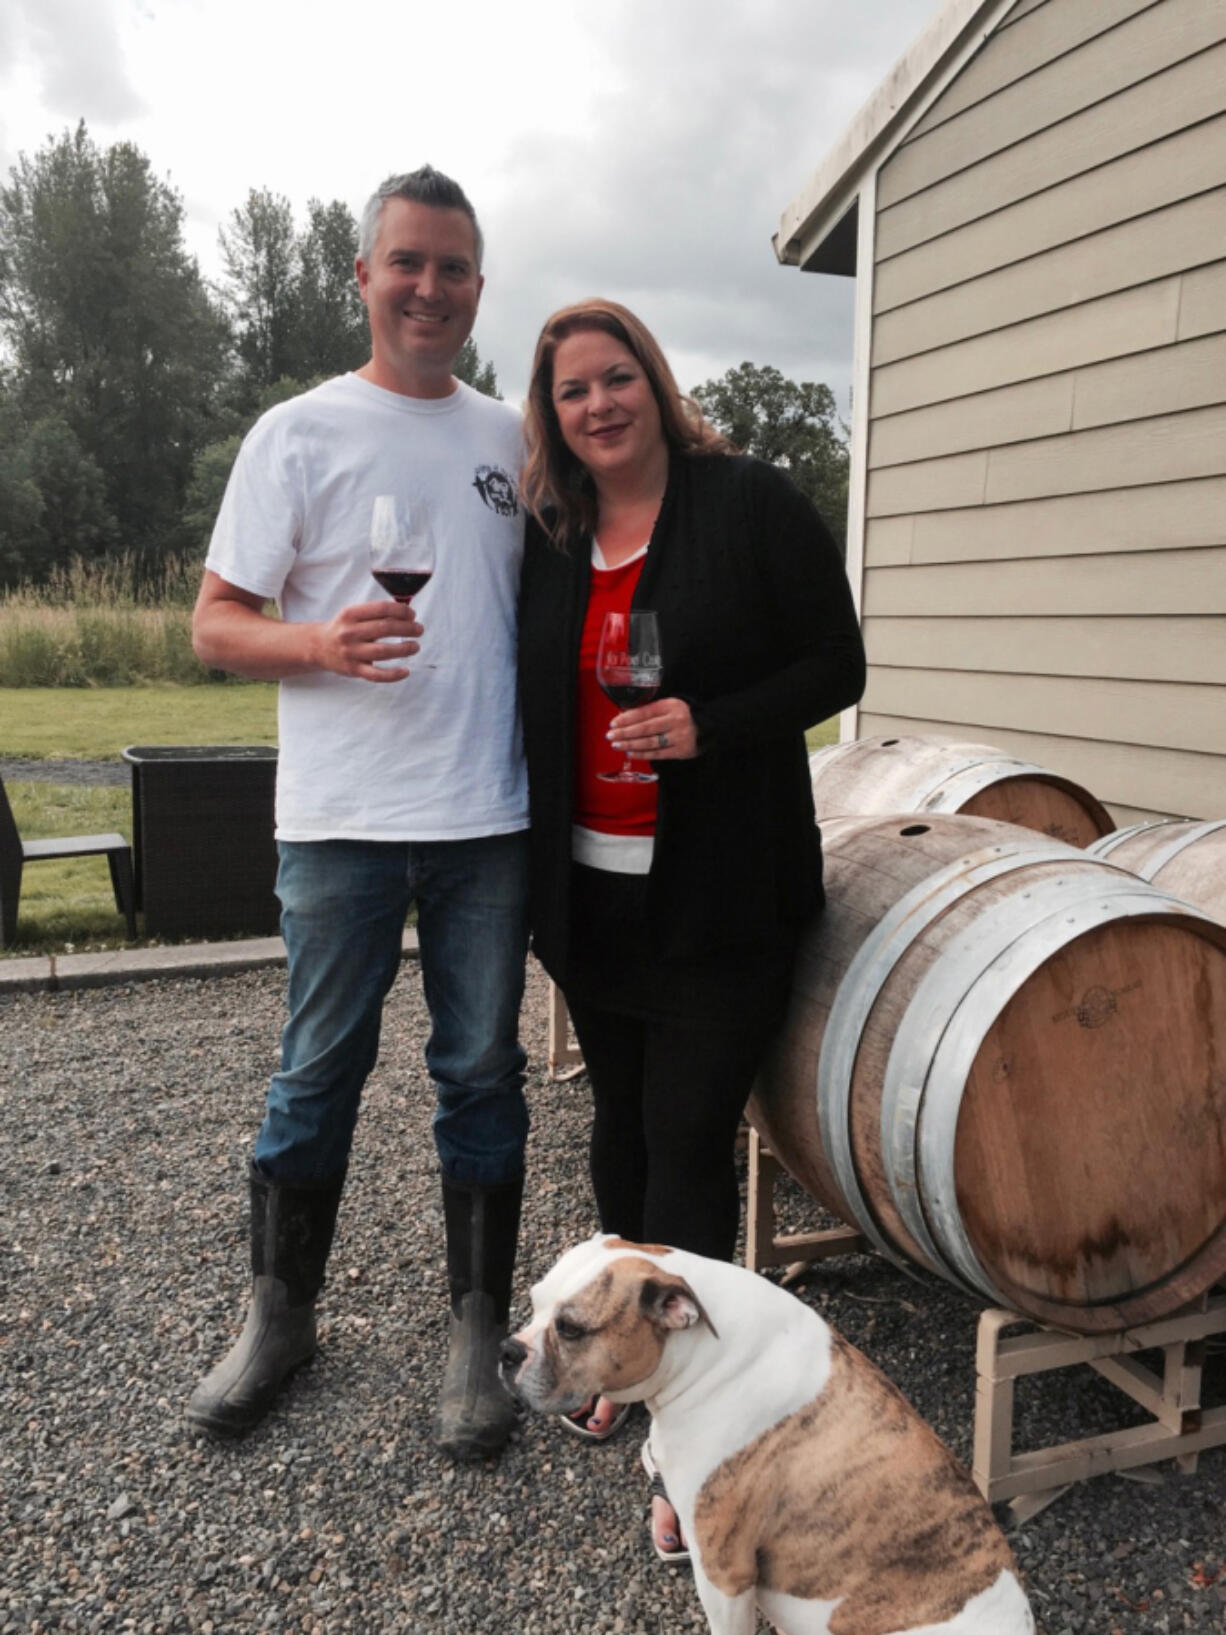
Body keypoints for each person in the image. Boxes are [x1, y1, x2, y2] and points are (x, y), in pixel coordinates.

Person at [186, 167, 530, 1461]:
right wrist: (321, 640)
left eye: (451, 267)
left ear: (476, 288)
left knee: (478, 1071)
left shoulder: (509, 437)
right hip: (337, 817)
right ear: (364, 277)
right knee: (316, 1067)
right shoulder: (298, 432)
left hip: (486, 818)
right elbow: (215, 625)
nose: (428, 288)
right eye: (407, 263)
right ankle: (281, 1315)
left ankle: (475, 1328)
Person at [517, 299, 866, 1552]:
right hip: (588, 895)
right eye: (572, 391)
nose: (598, 405)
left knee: (684, 1130)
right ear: (549, 415)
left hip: (722, 896)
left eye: (617, 380)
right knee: (617, 1120)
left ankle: (700, 1429)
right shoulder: (551, 539)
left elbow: (836, 665)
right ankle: (608, 1358)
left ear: (654, 386)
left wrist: (708, 723)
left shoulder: (748, 502)